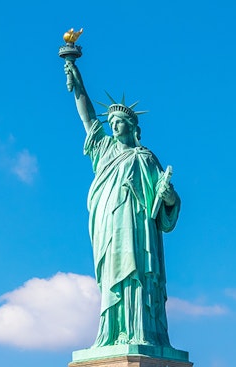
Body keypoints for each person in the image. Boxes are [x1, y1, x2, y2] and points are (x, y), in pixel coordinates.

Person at [63, 58, 180, 349]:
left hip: (138, 228)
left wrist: (167, 196)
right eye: (111, 123)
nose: (114, 127)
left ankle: (141, 332)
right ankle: (112, 333)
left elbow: (168, 202)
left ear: (131, 127)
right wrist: (78, 83)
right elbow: (88, 118)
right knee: (112, 274)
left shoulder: (145, 158)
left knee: (137, 274)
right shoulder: (103, 149)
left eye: (119, 123)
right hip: (109, 224)